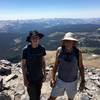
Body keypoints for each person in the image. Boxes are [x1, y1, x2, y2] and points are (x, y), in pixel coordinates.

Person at [48, 32, 85, 100]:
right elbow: (55, 65)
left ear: (73, 43)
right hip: (60, 80)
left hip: (72, 82)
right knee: (52, 97)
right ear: (63, 42)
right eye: (66, 41)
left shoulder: (78, 52)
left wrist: (83, 81)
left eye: (70, 41)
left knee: (70, 98)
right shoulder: (59, 50)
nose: (67, 43)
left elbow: (81, 67)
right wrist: (52, 78)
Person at [21, 30, 46, 100]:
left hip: (39, 76)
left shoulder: (42, 48)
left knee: (38, 93)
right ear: (30, 39)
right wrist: (25, 79)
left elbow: (43, 62)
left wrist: (45, 74)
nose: (35, 39)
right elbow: (23, 65)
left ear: (39, 38)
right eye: (33, 38)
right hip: (30, 78)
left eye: (37, 37)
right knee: (32, 96)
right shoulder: (25, 50)